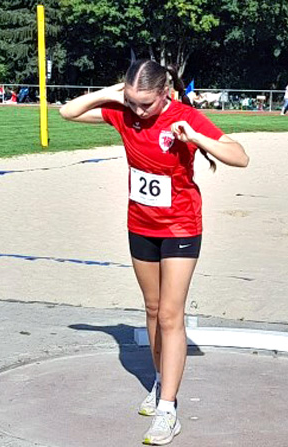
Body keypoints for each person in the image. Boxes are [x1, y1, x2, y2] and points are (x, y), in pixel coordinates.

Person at [59, 59, 249, 445]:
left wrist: (195, 138)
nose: (138, 111)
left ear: (165, 93)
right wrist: (109, 94)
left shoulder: (185, 116)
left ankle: (168, 409)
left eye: (146, 103)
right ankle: (161, 378)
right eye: (132, 101)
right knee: (150, 308)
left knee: (169, 313)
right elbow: (67, 112)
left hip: (180, 226)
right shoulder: (123, 113)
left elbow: (240, 156)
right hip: (140, 225)